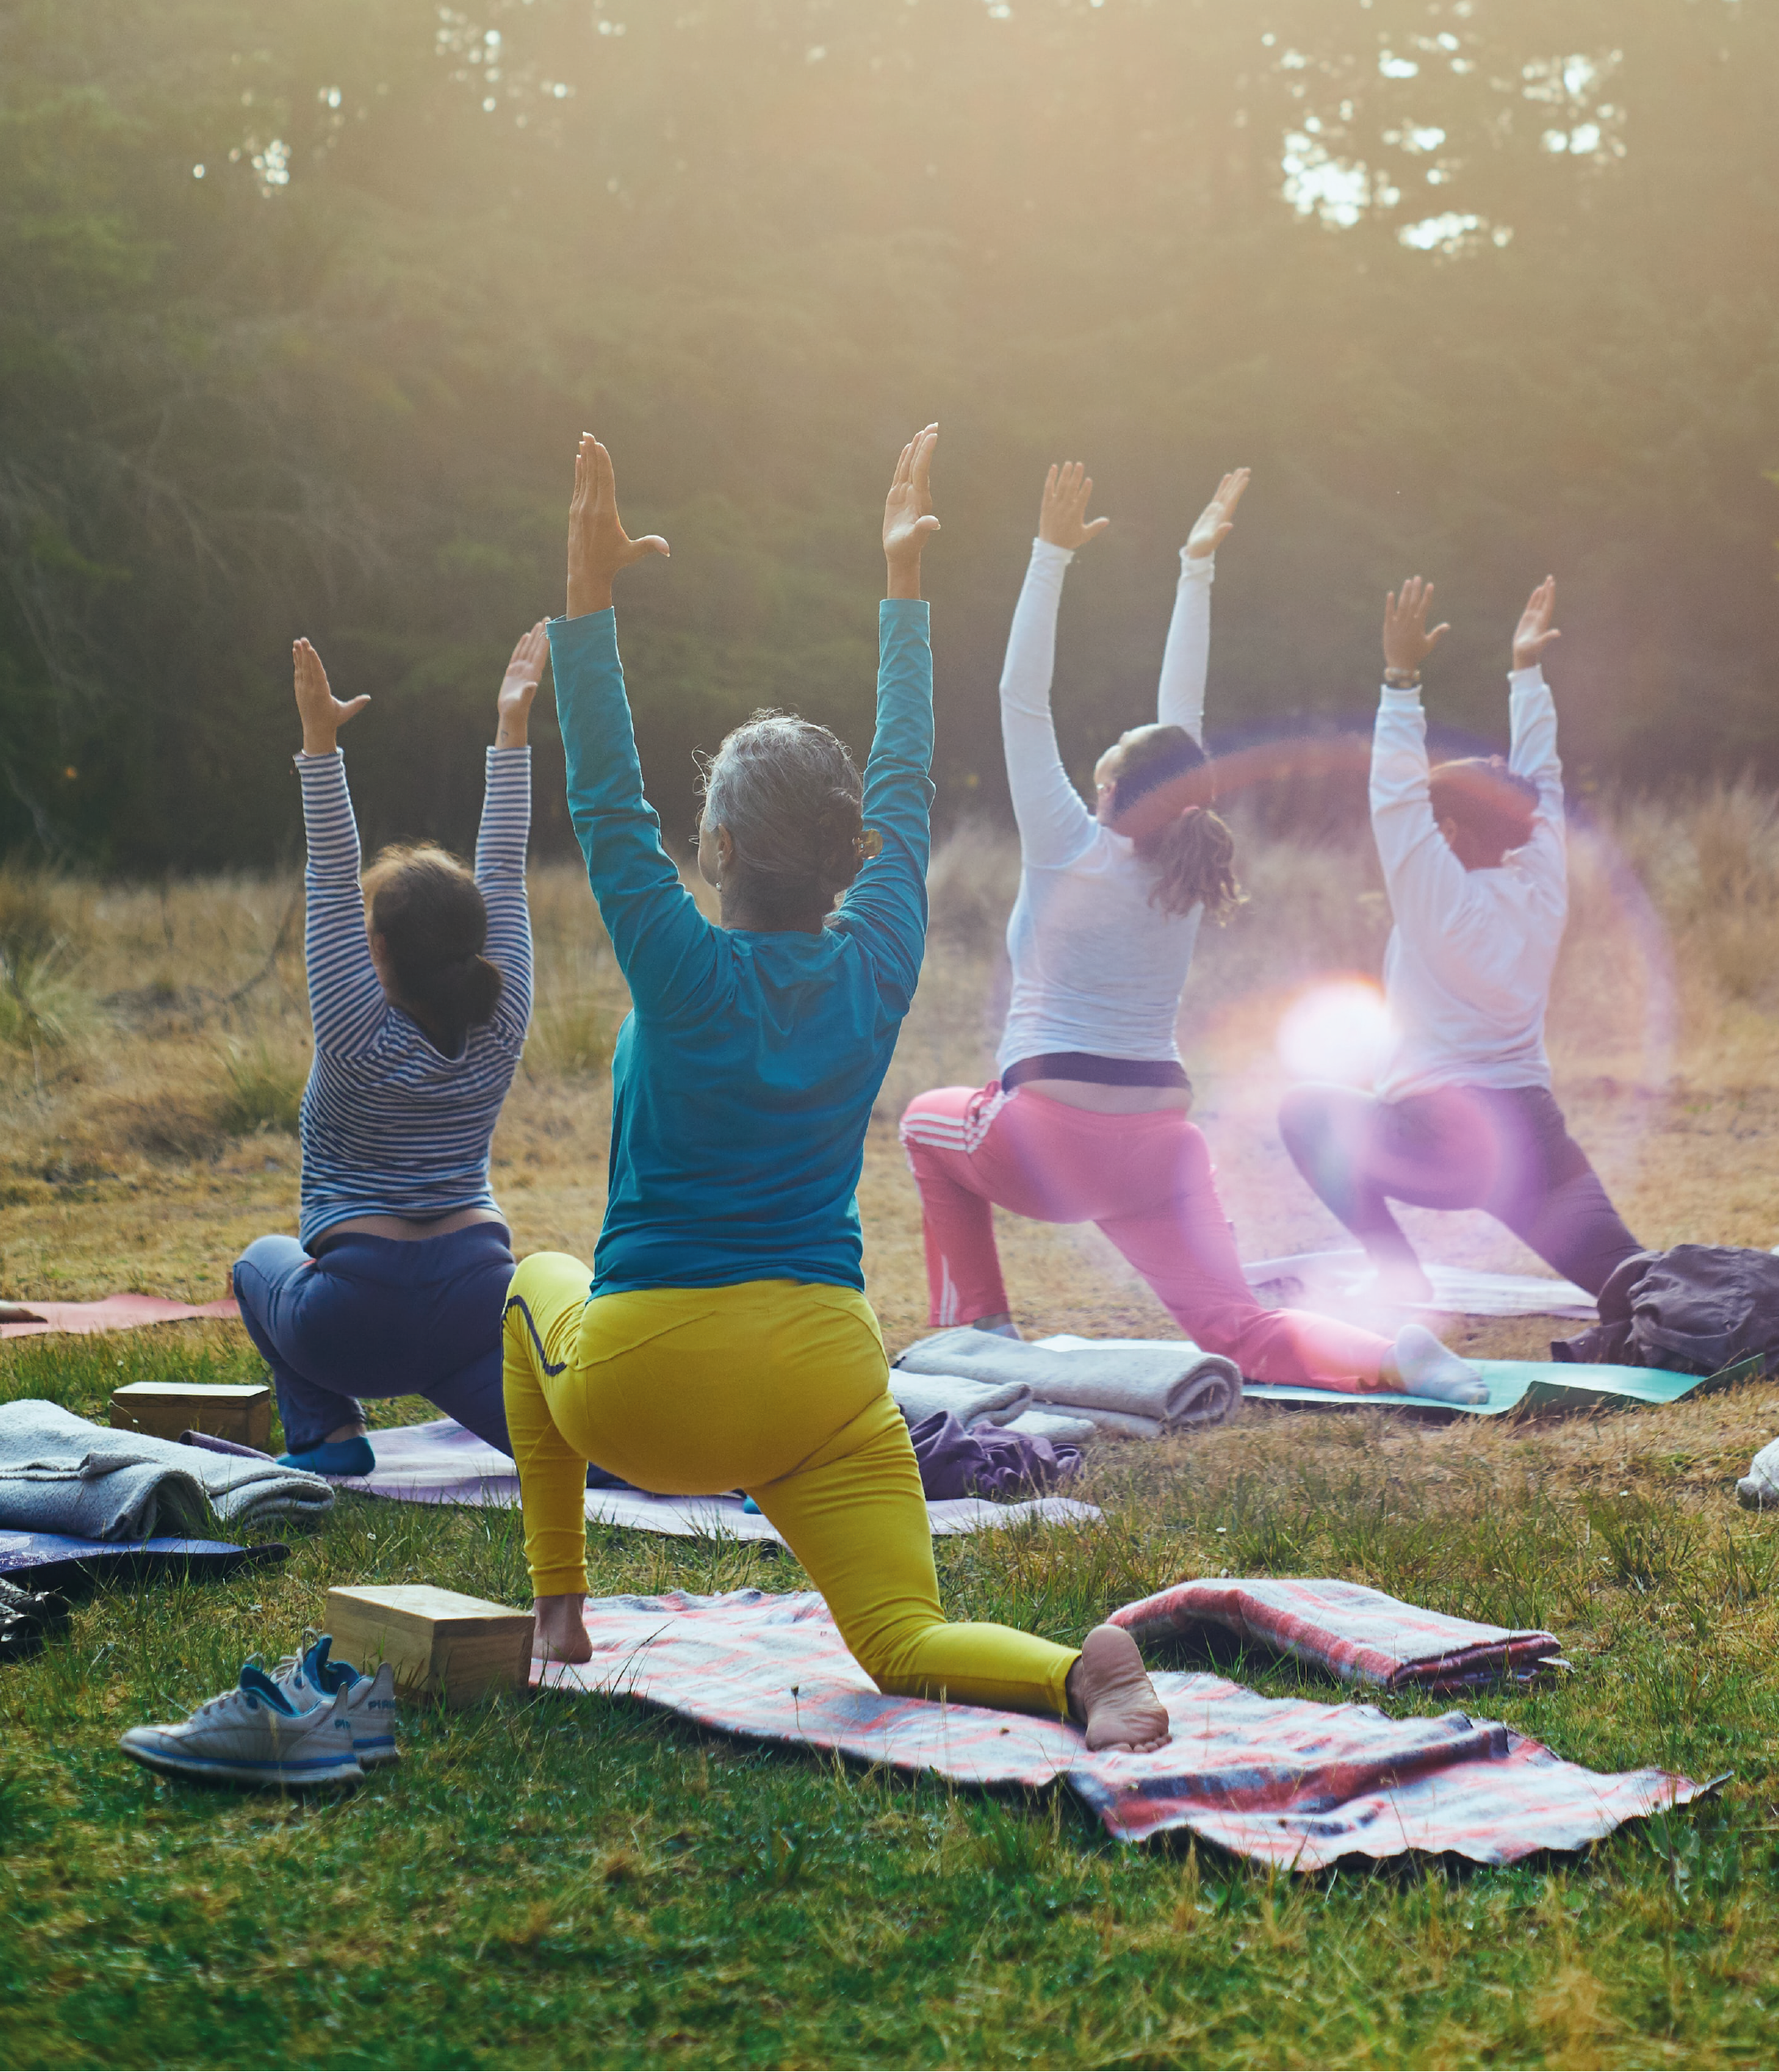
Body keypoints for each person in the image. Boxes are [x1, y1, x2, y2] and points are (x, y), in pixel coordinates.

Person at [503, 427, 1170, 1751]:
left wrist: (587, 605)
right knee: (899, 1641)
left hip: (648, 1394)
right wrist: (903, 596)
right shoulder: (875, 965)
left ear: (723, 848)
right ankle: (1079, 1672)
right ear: (848, 850)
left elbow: (603, 798)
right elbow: (908, 789)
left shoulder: (679, 963)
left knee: (531, 1275)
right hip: (823, 1377)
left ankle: (558, 1608)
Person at [899, 463, 1483, 1407]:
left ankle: (979, 1331)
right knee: (1235, 1323)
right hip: (1161, 1143)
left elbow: (1020, 695)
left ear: (1105, 790)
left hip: (1047, 1139)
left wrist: (1048, 553)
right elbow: (1185, 726)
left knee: (925, 1122)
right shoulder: (1182, 861)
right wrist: (1194, 568)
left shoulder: (1068, 845)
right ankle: (1396, 1353)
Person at [231, 622, 548, 1476]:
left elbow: (331, 872)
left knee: (256, 1262)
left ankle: (329, 1436)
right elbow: (506, 869)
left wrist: (320, 741)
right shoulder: (504, 1013)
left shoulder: (351, 1029)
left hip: (353, 1320)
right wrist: (511, 729)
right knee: (577, 1451)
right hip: (477, 1304)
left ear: (372, 950)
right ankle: (722, 1461)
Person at [1278, 575, 1644, 1308]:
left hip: (1437, 1143)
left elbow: (1393, 796)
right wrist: (1526, 674)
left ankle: (1398, 1274)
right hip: (1534, 1143)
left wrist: (1400, 679)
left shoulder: (1434, 896)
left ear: (1447, 831)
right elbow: (1543, 778)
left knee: (1304, 1110)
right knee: (1641, 1284)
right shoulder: (1542, 882)